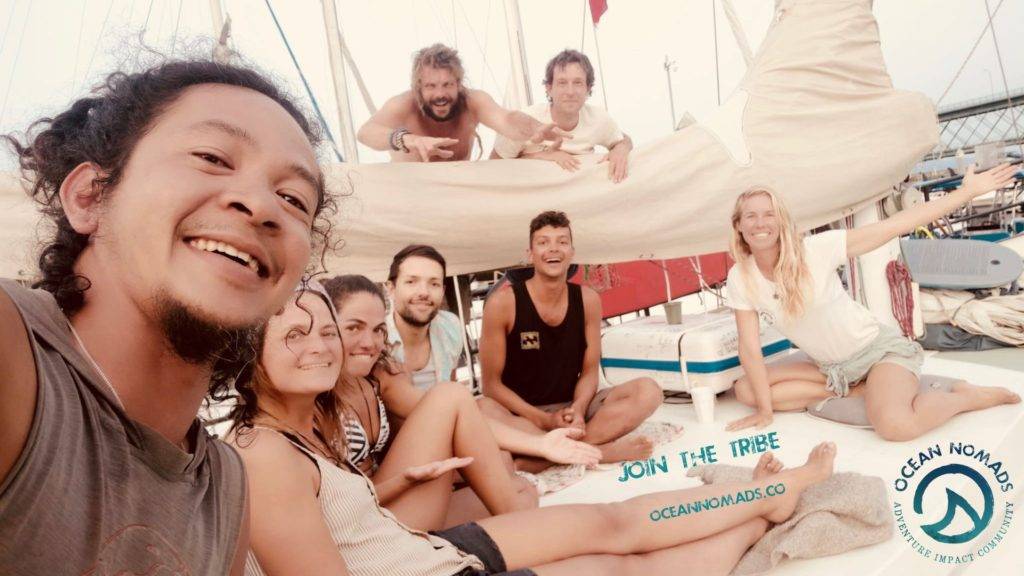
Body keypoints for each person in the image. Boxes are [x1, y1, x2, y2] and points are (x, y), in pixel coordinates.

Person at [230, 282, 840, 576]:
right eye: (293, 334)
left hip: (423, 553)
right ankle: (759, 519)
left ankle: (768, 495)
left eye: (325, 331)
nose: (321, 346)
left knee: (614, 522)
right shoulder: (262, 455)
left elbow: (342, 524)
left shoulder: (300, 425)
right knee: (621, 568)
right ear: (243, 353)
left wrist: (398, 486)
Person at [0, 59, 330, 574]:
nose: (262, 205)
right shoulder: (15, 352)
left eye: (293, 199)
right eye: (212, 158)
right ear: (89, 196)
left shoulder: (224, 487)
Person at [725, 164, 1022, 439]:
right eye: (750, 216)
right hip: (830, 367)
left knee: (896, 427)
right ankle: (858, 390)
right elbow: (748, 347)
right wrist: (765, 411)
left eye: (769, 214)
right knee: (747, 390)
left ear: (781, 221)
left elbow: (894, 225)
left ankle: (966, 397)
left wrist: (966, 193)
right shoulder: (740, 277)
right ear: (738, 225)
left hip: (877, 353)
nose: (760, 223)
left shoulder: (815, 250)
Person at [321, 276, 602, 529]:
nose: (370, 342)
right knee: (452, 396)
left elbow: (462, 420)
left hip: (393, 498)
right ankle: (525, 529)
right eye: (354, 327)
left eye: (378, 330)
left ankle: (512, 516)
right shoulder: (314, 392)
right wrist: (405, 480)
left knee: (522, 488)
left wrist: (540, 444)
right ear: (327, 327)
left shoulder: (378, 377)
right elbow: (332, 505)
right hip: (364, 519)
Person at [478, 211, 663, 466]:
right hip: (522, 415)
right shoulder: (502, 303)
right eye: (543, 242)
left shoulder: (588, 300)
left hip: (572, 410)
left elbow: (589, 371)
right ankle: (597, 451)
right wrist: (542, 419)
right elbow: (491, 386)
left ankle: (549, 459)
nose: (553, 249)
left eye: (562, 242)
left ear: (572, 252)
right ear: (530, 254)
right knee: (481, 410)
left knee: (648, 391)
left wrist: (578, 408)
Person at [357, 43, 568, 162]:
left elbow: (506, 119)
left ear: (459, 84)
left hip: (456, 196)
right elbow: (366, 133)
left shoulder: (473, 102)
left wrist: (535, 128)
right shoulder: (404, 104)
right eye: (431, 86)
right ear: (418, 87)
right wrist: (408, 139)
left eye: (447, 84)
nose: (440, 94)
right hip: (411, 196)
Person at [492, 50, 632, 183]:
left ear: (588, 89)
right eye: (562, 83)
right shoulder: (524, 121)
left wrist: (620, 150)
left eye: (577, 83)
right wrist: (540, 156)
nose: (570, 92)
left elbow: (623, 140)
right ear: (549, 88)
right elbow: (493, 167)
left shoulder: (598, 118)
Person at [385, 244, 465, 389]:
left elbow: (450, 388)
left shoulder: (450, 326)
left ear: (442, 291)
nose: (424, 292)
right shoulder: (376, 341)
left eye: (434, 284)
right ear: (391, 289)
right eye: (411, 282)